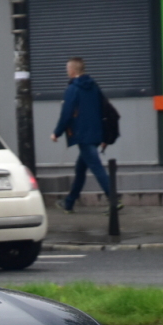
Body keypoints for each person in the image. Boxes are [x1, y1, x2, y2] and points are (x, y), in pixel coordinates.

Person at [51, 57, 117, 213]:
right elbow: (104, 110)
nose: (67, 71)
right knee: (80, 169)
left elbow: (66, 113)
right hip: (96, 134)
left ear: (73, 71)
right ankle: (69, 202)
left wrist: (57, 133)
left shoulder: (73, 89)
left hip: (82, 135)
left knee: (96, 167)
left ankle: (114, 199)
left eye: (68, 69)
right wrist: (105, 135)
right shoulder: (94, 87)